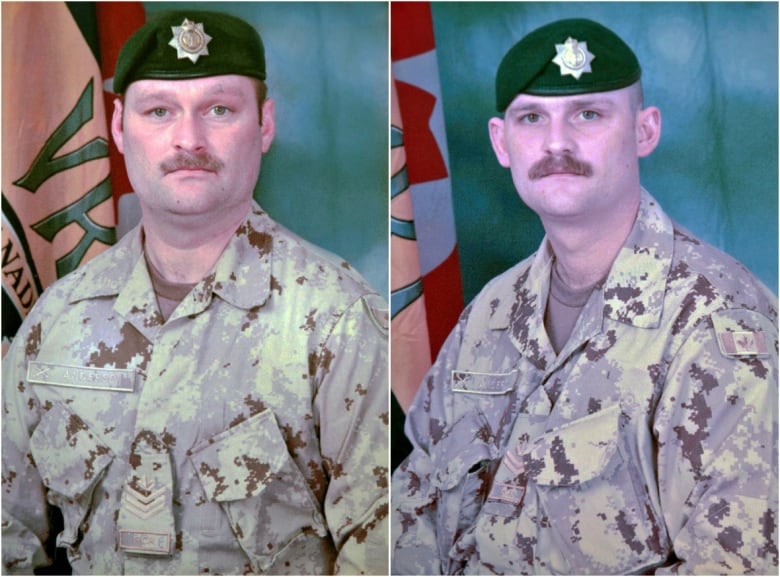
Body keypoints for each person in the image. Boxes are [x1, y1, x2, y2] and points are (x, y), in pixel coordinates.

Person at [2, 10, 388, 575]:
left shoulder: (338, 318)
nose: (189, 138)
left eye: (219, 109)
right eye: (159, 110)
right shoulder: (55, 320)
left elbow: (378, 549)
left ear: (265, 125)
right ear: (117, 126)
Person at [391, 17, 777, 575]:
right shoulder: (489, 315)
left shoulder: (717, 322)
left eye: (589, 114)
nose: (556, 143)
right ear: (502, 143)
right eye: (531, 118)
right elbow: (413, 512)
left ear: (645, 131)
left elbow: (738, 566)